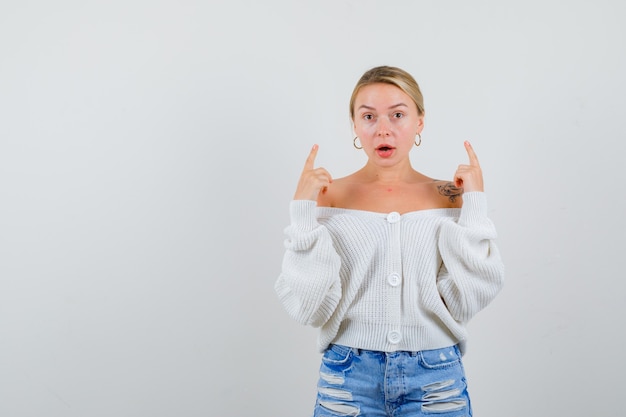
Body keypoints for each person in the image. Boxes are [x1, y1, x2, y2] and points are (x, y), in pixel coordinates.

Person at [275, 65, 504, 417]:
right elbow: (309, 307)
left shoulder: (450, 196)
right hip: (348, 379)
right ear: (354, 125)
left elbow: (468, 298)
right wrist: (303, 214)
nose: (383, 129)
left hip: (435, 380)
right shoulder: (327, 195)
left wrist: (475, 205)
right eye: (368, 116)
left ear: (419, 122)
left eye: (398, 114)